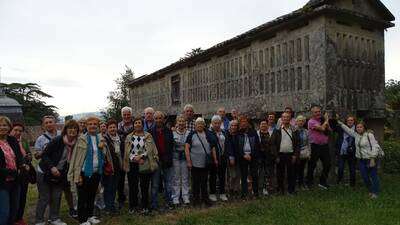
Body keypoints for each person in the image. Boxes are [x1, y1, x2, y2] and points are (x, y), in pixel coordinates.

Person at [36, 120, 80, 225]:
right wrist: (52, 167)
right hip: (45, 171)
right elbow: (45, 155)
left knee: (57, 196)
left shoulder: (75, 143)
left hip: (60, 173)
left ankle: (54, 218)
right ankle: (39, 221)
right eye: (70, 128)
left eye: (75, 128)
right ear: (65, 130)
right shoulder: (58, 140)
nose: (72, 130)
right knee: (45, 197)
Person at [68, 116, 106, 225]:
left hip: (96, 172)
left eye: (95, 124)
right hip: (84, 173)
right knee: (82, 198)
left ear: (98, 126)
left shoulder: (100, 138)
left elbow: (103, 155)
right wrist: (78, 175)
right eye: (90, 124)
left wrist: (103, 147)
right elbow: (75, 158)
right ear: (86, 126)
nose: (93, 126)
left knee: (92, 195)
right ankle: (82, 219)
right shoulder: (81, 139)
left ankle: (90, 216)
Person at [123, 116, 159, 214]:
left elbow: (151, 149)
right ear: (133, 125)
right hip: (132, 163)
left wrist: (141, 157)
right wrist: (134, 158)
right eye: (136, 123)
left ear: (142, 124)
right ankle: (133, 206)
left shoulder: (148, 136)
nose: (137, 124)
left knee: (144, 186)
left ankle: (145, 206)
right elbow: (126, 151)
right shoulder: (129, 136)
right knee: (133, 186)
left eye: (139, 123)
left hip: (145, 163)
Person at [337, 119, 381, 199]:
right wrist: (339, 122)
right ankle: (370, 190)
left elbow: (375, 146)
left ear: (364, 128)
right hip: (361, 160)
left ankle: (375, 192)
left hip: (370, 159)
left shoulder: (369, 135)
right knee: (365, 177)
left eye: (361, 127)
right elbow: (348, 130)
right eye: (357, 127)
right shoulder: (356, 135)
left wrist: (372, 158)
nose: (359, 128)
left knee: (373, 176)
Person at [185, 117, 217, 207]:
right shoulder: (192, 135)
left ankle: (205, 198)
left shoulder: (208, 134)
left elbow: (213, 147)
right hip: (195, 163)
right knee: (195, 182)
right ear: (195, 126)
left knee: (204, 181)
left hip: (205, 163)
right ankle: (196, 200)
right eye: (198, 124)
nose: (199, 125)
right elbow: (186, 148)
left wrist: (215, 159)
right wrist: (189, 161)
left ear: (204, 125)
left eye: (201, 124)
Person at [0, 116, 25, 225]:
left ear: (9, 127)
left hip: (15, 181)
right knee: (4, 212)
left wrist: (21, 167)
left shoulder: (12, 140)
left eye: (5, 125)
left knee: (14, 210)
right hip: (2, 183)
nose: (2, 127)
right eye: (0, 125)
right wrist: (12, 172)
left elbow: (19, 157)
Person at [231, 115, 260, 198]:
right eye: (242, 122)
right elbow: (236, 147)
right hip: (242, 157)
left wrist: (250, 155)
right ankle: (244, 194)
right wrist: (244, 155)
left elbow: (257, 146)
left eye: (245, 122)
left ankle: (256, 193)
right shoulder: (238, 133)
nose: (243, 124)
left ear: (247, 123)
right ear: (240, 124)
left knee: (254, 175)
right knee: (243, 176)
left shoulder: (253, 132)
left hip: (252, 157)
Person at [150, 111, 174, 211]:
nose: (158, 120)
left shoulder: (169, 131)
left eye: (160, 118)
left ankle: (169, 201)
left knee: (168, 183)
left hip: (167, 160)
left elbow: (171, 146)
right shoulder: (150, 132)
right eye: (156, 118)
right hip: (156, 161)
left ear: (163, 119)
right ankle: (154, 204)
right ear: (154, 119)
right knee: (155, 184)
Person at [10, 123, 33, 225]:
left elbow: (28, 153)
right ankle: (12, 218)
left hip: (24, 173)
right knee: (13, 197)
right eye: (16, 130)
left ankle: (19, 217)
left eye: (20, 131)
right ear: (11, 130)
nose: (18, 132)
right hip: (13, 173)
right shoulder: (7, 142)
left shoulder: (24, 141)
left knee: (23, 195)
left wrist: (29, 157)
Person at [306, 105, 332, 190]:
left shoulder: (322, 120)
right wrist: (327, 120)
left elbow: (329, 130)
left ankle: (322, 182)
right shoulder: (311, 121)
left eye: (319, 112)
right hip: (315, 146)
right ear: (312, 113)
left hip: (324, 145)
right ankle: (309, 183)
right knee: (312, 165)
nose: (318, 113)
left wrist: (326, 122)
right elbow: (321, 128)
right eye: (315, 112)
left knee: (327, 164)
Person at [103, 119, 124, 214]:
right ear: (107, 129)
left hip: (118, 167)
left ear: (116, 128)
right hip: (109, 167)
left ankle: (111, 205)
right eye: (110, 127)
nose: (112, 129)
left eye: (114, 127)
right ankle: (108, 207)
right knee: (108, 187)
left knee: (114, 187)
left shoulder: (119, 138)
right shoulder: (104, 139)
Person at [116, 106, 134, 209]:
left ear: (131, 115)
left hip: (132, 155)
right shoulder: (118, 126)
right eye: (124, 115)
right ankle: (121, 199)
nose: (126, 116)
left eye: (128, 114)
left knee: (132, 179)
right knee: (120, 179)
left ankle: (133, 198)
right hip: (121, 155)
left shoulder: (135, 124)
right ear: (122, 115)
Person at [171, 115, 190, 206]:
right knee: (176, 178)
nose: (181, 123)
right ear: (177, 122)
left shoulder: (189, 133)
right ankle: (175, 197)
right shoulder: (173, 132)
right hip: (176, 157)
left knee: (185, 177)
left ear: (185, 122)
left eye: (183, 121)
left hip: (185, 157)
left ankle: (185, 196)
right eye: (180, 121)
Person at [209, 115, 229, 202]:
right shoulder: (209, 133)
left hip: (223, 157)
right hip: (213, 158)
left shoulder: (224, 132)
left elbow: (227, 144)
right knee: (213, 176)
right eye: (215, 123)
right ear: (212, 123)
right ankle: (212, 193)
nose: (217, 125)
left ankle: (222, 193)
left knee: (222, 176)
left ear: (221, 123)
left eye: (218, 123)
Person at [257, 117, 277, 196]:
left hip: (269, 156)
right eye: (262, 124)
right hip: (259, 157)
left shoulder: (271, 133)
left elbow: (274, 145)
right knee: (260, 173)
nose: (263, 125)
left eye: (265, 124)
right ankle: (259, 187)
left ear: (267, 125)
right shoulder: (257, 134)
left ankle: (266, 188)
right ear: (259, 125)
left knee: (268, 173)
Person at [334, 116, 356, 187]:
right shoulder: (341, 128)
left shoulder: (357, 129)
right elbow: (333, 127)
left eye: (351, 120)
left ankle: (352, 184)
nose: (350, 121)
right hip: (342, 151)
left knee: (352, 169)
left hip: (352, 152)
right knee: (340, 168)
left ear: (354, 121)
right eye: (348, 120)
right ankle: (339, 182)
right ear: (346, 122)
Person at [295, 115, 311, 189]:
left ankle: (301, 184)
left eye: (302, 121)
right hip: (296, 153)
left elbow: (308, 143)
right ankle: (295, 184)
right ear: (296, 122)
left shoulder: (306, 131)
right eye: (299, 121)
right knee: (295, 169)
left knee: (302, 169)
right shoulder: (293, 130)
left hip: (304, 152)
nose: (301, 122)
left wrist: (309, 153)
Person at [226, 120, 241, 198]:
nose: (234, 127)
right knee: (232, 175)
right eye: (232, 125)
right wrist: (231, 157)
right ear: (230, 126)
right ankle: (230, 189)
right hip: (230, 158)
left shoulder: (239, 135)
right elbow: (228, 147)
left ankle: (236, 189)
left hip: (238, 157)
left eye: (235, 125)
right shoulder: (227, 135)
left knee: (238, 175)